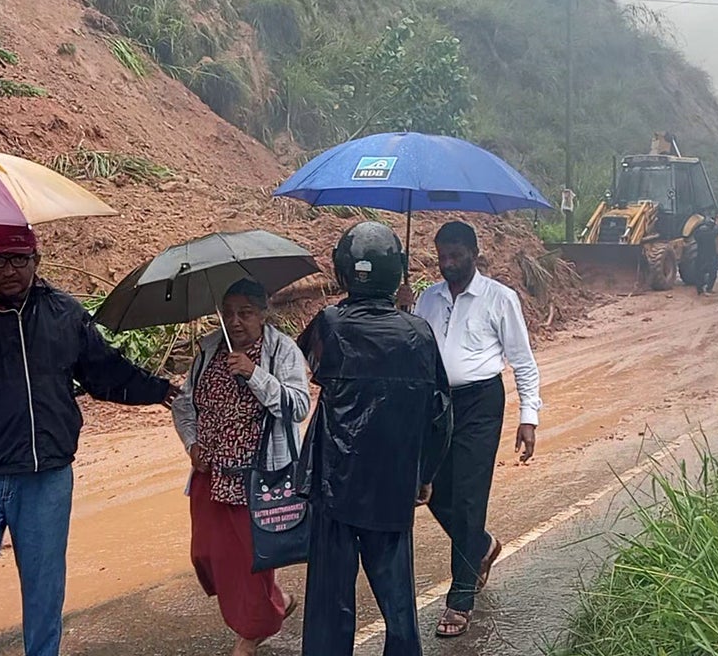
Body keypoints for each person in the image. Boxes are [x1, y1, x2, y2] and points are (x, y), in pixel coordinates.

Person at [0, 224, 176, 656]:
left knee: (44, 589)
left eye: (19, 259)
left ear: (37, 261)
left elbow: (104, 371)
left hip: (45, 478)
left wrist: (159, 390)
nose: (9, 270)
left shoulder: (64, 313)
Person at [297, 221, 453, 656]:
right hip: (393, 483)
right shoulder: (418, 333)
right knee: (398, 602)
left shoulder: (329, 323)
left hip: (336, 484)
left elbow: (308, 365)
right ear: (396, 270)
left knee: (331, 604)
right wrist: (425, 474)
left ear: (342, 271)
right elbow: (441, 415)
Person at [398, 220, 542, 638]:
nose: (448, 262)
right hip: (437, 404)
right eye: (442, 255)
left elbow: (523, 360)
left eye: (456, 254)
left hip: (481, 402)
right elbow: (413, 348)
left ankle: (459, 599)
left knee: (470, 494)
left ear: (474, 253)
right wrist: (404, 311)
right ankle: (480, 545)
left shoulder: (500, 298)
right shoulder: (427, 298)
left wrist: (528, 417)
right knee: (432, 490)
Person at [170, 278, 311, 656]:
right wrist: (192, 444)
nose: (235, 321)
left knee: (249, 560)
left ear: (263, 313)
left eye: (245, 313)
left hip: (258, 476)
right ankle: (276, 600)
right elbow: (184, 405)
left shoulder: (282, 351)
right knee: (206, 554)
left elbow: (298, 406)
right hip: (210, 472)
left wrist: (254, 374)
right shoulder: (209, 349)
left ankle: (253, 630)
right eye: (229, 313)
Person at [692, 215, 718, 295]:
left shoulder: (698, 233)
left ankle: (700, 290)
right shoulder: (711, 233)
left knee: (699, 274)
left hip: (700, 256)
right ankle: (708, 289)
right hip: (710, 257)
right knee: (712, 273)